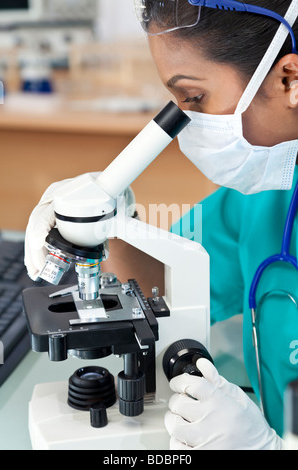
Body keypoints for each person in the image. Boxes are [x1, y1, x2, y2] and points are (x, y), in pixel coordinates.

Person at [24, 0, 298, 450]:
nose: (183, 118)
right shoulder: (268, 194)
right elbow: (160, 285)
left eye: (193, 97)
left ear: (288, 79)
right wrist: (108, 221)